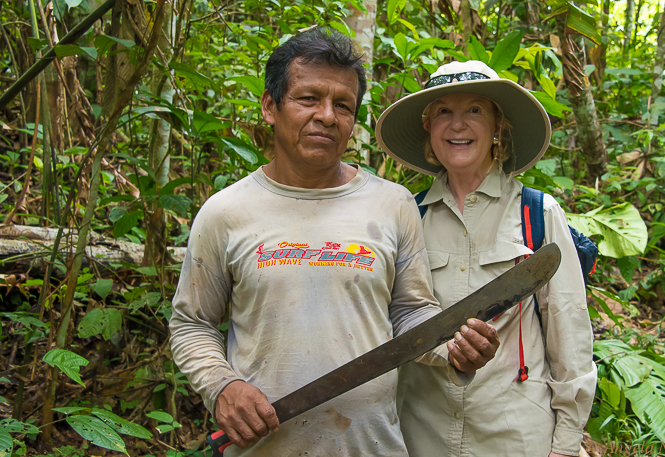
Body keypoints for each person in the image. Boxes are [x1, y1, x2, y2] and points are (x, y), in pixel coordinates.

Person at [169, 30, 500, 457]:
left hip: (371, 445)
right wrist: (222, 386)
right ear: (270, 107)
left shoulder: (392, 204)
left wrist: (452, 346)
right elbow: (191, 323)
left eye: (342, 105)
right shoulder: (226, 212)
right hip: (265, 446)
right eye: (308, 98)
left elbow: (411, 311)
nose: (326, 116)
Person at [375, 60, 597, 457]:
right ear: (428, 126)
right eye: (444, 111)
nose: (457, 125)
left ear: (498, 127)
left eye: (474, 110)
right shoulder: (409, 216)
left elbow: (570, 335)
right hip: (421, 436)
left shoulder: (537, 214)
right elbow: (391, 322)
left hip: (514, 436)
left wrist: (566, 445)